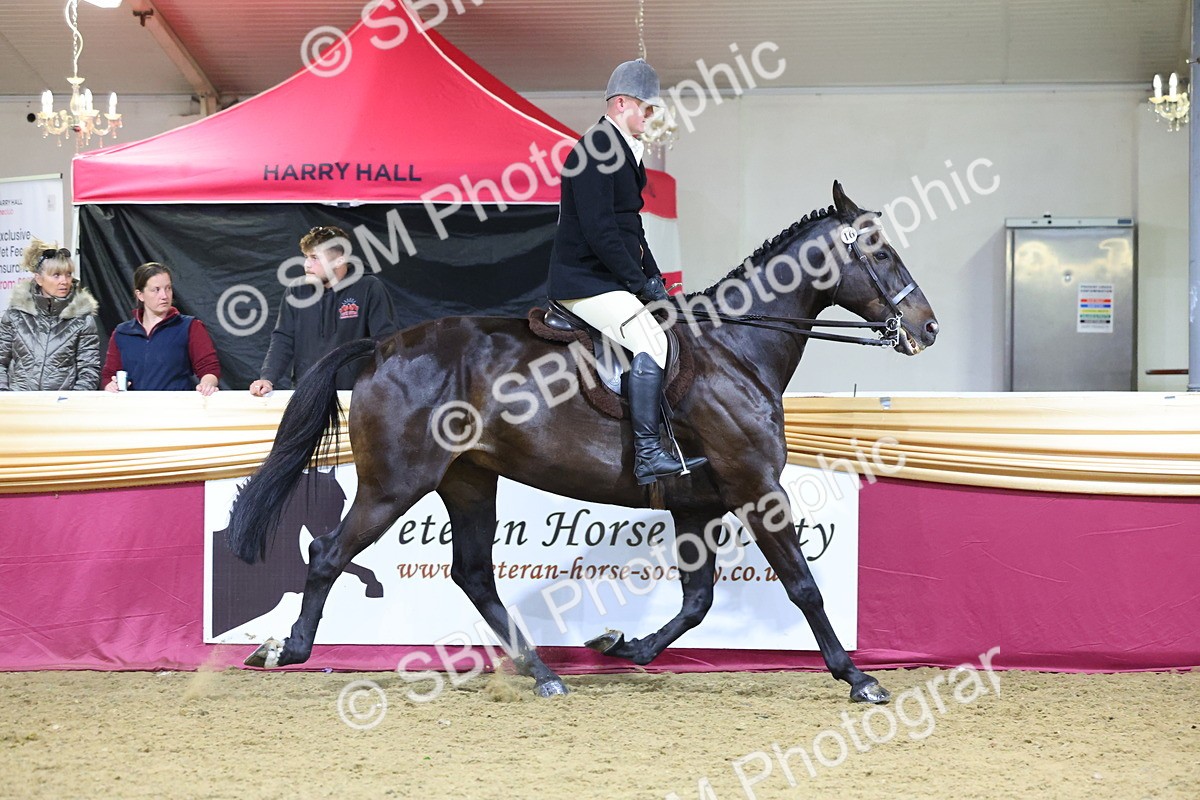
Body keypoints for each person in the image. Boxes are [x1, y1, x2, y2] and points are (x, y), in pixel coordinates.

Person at [547, 58, 706, 486]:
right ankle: (648, 454)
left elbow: (631, 227)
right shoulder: (596, 148)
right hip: (585, 281)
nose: (650, 116)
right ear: (621, 103)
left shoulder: (622, 150)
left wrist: (654, 279)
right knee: (651, 343)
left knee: (669, 326)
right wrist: (638, 284)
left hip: (608, 279)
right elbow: (601, 233)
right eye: (646, 108)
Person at [249, 225, 398, 395]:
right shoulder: (296, 291)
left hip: (355, 396)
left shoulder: (369, 287)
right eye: (306, 257)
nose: (306, 264)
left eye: (314, 258)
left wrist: (379, 388)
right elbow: (283, 338)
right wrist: (268, 378)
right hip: (307, 394)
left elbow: (386, 340)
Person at [101, 262, 221, 394]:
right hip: (134, 410)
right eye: (156, 289)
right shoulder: (122, 332)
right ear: (140, 295)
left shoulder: (190, 326)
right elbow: (108, 375)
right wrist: (110, 385)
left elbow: (209, 368)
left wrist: (207, 384)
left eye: (168, 288)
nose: (164, 296)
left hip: (176, 409)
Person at [0, 240, 100, 391]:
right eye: (56, 275)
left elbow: (89, 370)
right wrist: (5, 397)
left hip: (61, 409)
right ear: (39, 279)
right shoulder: (15, 314)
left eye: (68, 274)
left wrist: (70, 403)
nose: (64, 281)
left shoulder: (82, 319)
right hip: (18, 406)